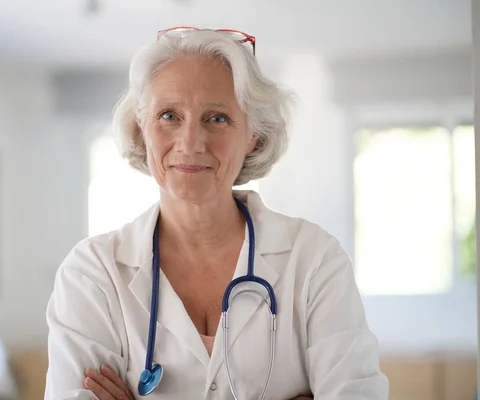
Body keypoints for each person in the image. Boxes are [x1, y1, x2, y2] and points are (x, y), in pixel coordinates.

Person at [45, 27, 388, 400]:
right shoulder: (93, 273)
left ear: (254, 135)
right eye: (169, 115)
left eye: (217, 118)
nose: (190, 143)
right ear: (142, 129)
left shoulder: (314, 260)